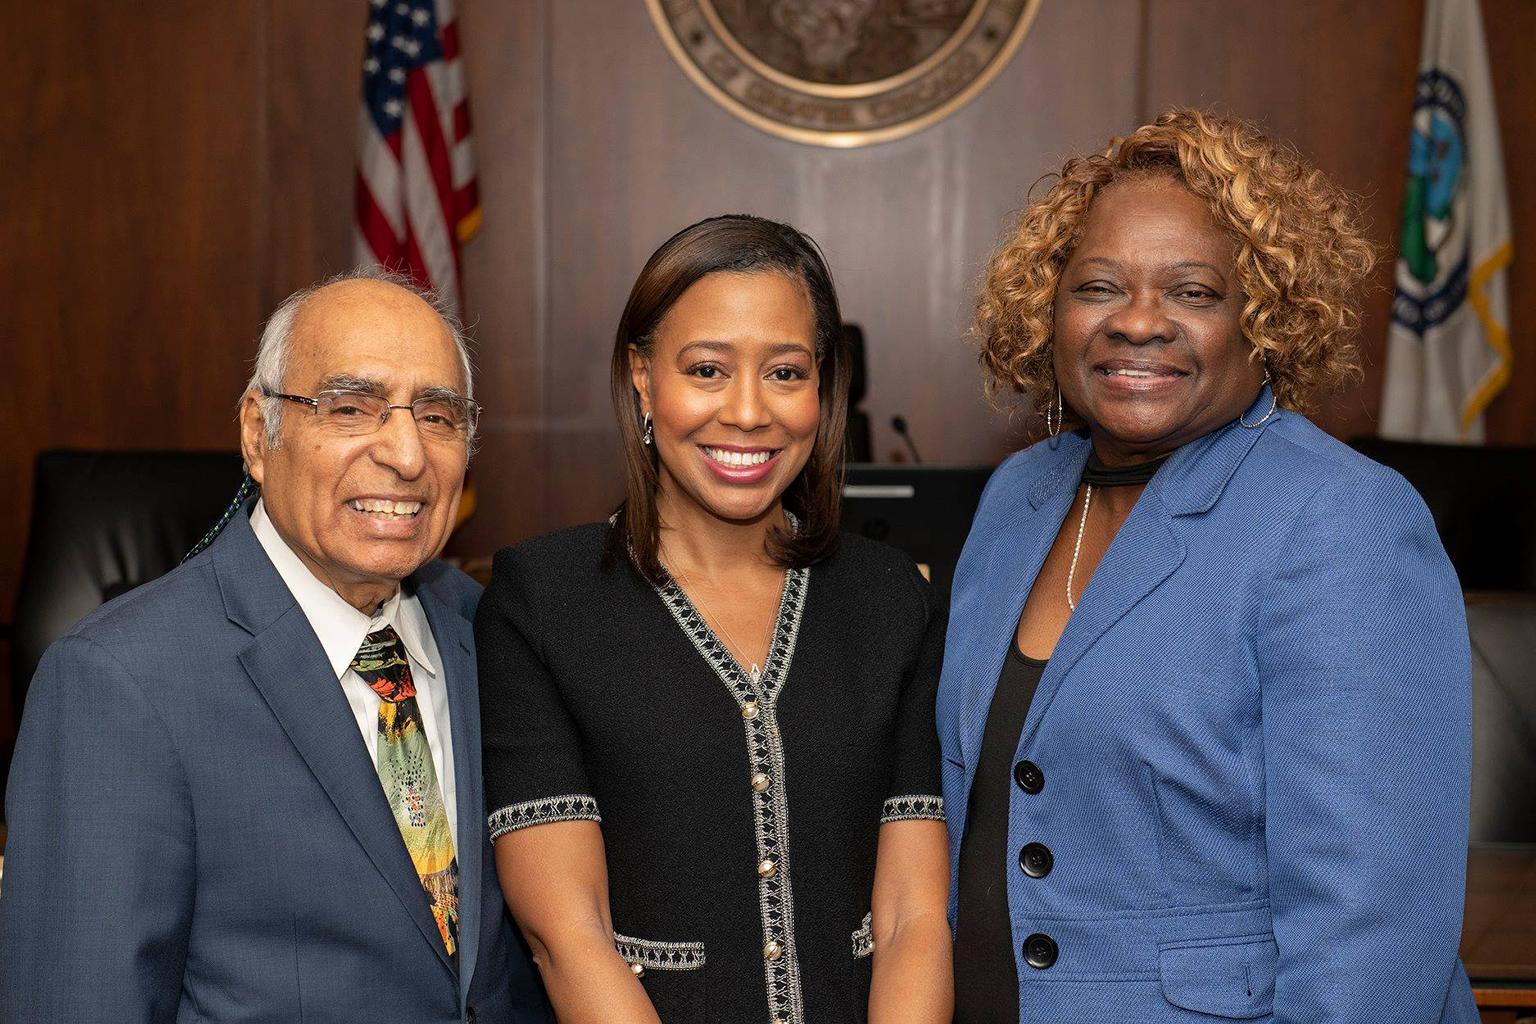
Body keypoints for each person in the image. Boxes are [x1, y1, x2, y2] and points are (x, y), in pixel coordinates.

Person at [940, 110, 1478, 1023]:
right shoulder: (1017, 499)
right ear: (1050, 305)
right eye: (1100, 286)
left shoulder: (1342, 518)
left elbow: (1373, 929)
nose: (1139, 324)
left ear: (1264, 318)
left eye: (1195, 293)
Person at [0, 271, 546, 1024]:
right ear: (259, 434)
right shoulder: (118, 683)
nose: (408, 455)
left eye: (439, 415)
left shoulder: (493, 631)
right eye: (351, 408)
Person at [476, 214, 953, 1024]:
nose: (747, 412)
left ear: (823, 388)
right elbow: (568, 934)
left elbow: (913, 919)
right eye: (705, 369)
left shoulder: (890, 597)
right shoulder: (542, 599)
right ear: (641, 377)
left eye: (786, 373)